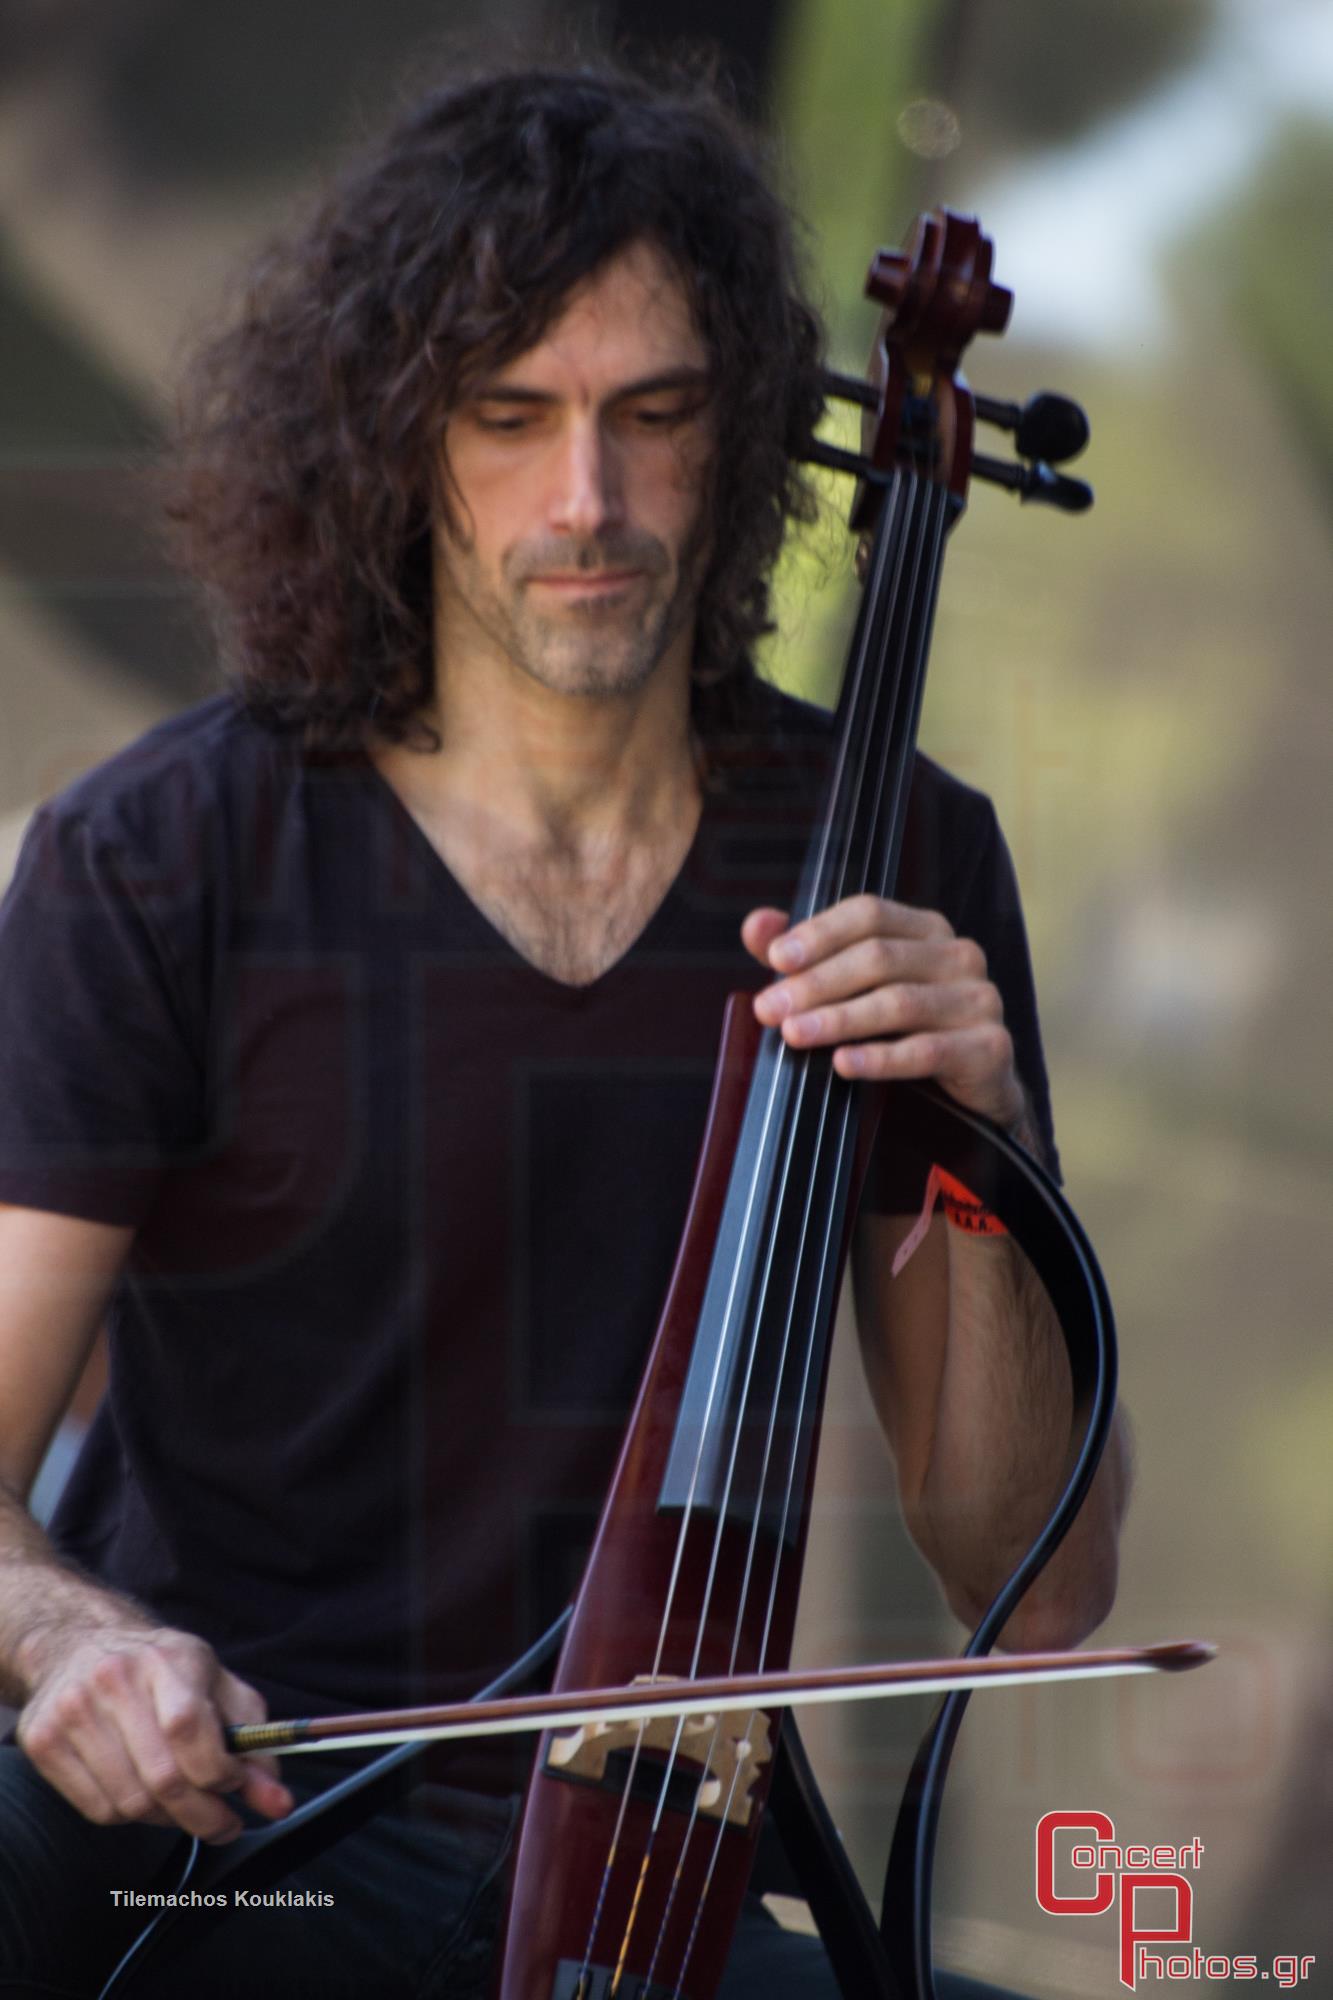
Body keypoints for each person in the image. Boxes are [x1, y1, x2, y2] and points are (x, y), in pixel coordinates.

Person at [0, 55, 1127, 2000]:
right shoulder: (162, 852)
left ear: (748, 431)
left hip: (641, 1890)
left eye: (652, 415)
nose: (585, 499)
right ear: (391, 439)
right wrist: (71, 1641)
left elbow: (1034, 1585)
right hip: (228, 1858)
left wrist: (982, 1146)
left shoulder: (902, 856)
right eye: (507, 417)